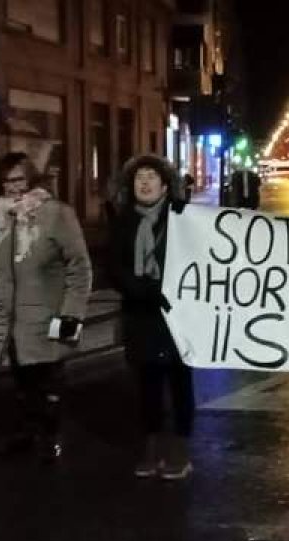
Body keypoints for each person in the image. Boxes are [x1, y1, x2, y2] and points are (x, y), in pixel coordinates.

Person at [0, 153, 92, 461]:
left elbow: (78, 265)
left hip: (49, 313)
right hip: (13, 316)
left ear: (31, 179)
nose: (12, 187)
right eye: (6, 181)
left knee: (49, 380)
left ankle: (50, 435)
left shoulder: (55, 213)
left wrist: (72, 312)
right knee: (22, 381)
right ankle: (27, 431)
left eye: (17, 179)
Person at [107, 155, 194, 480]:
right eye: (139, 177)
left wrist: (167, 287)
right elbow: (113, 265)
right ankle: (151, 448)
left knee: (180, 383)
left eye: (151, 177)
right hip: (140, 314)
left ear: (164, 183)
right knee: (147, 385)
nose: (144, 183)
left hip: (177, 316)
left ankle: (181, 450)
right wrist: (139, 287)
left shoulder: (183, 218)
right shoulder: (123, 221)